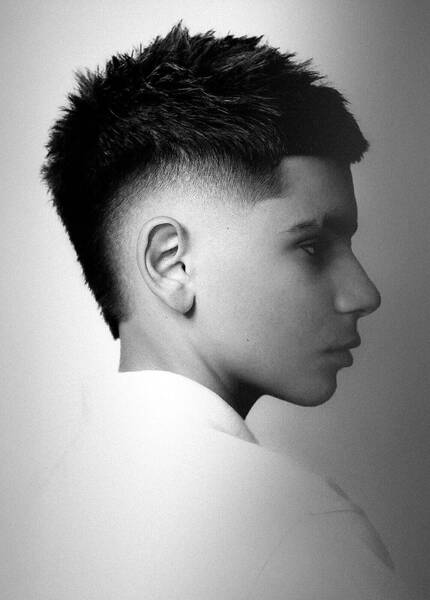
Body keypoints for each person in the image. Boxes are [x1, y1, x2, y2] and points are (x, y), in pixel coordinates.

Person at [9, 22, 414, 599]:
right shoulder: (292, 526)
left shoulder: (39, 517)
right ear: (172, 264)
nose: (364, 294)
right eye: (311, 246)